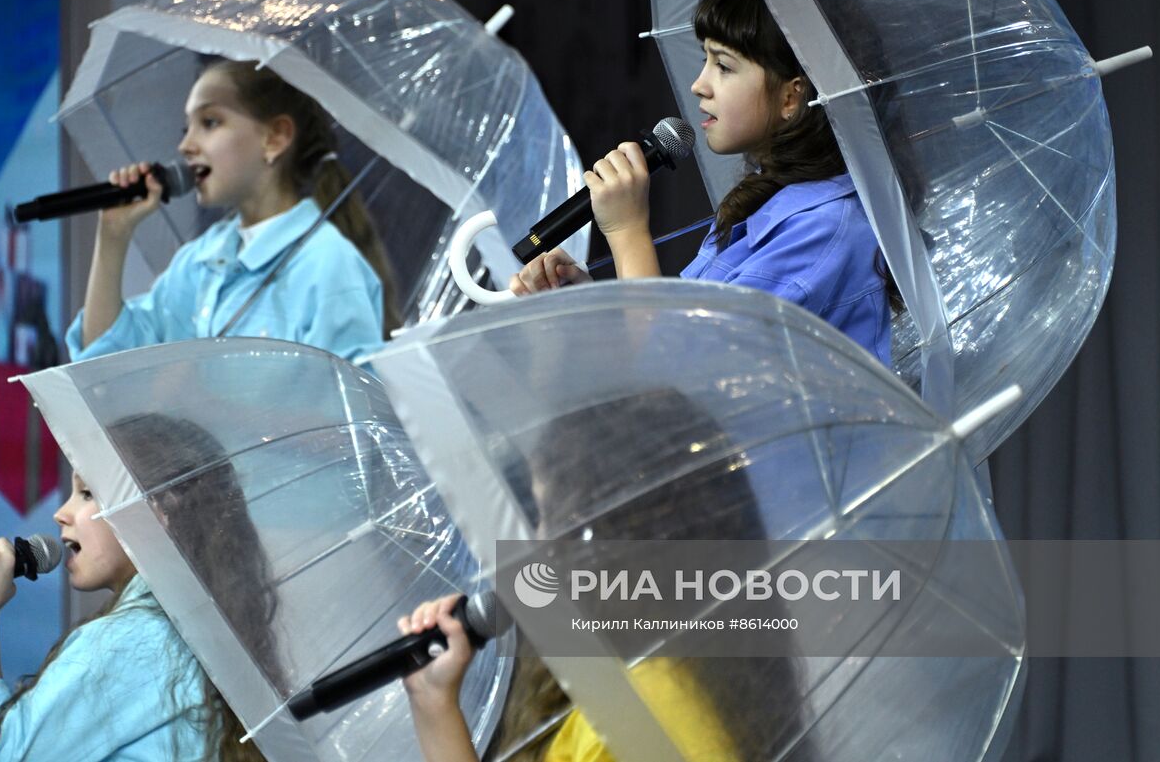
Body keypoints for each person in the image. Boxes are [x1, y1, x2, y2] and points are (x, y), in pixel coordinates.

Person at [398, 391, 821, 762]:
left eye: (550, 517)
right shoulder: (681, 677)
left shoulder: (631, 717)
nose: (536, 542)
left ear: (607, 538)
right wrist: (433, 699)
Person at [510, 0, 896, 366]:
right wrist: (585, 300)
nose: (699, 85)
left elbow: (679, 366)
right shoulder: (767, 204)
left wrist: (627, 233)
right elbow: (676, 335)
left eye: (724, 66)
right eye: (705, 60)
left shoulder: (824, 231)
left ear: (791, 96)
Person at [66, 59, 396, 365]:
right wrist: (113, 236)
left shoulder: (326, 263)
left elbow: (353, 412)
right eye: (187, 128)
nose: (185, 146)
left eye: (210, 122)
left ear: (275, 138)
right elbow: (106, 369)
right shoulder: (198, 262)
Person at [0, 469, 224, 761]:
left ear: (158, 512)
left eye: (87, 493)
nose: (60, 513)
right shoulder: (201, 623)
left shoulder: (142, 638)